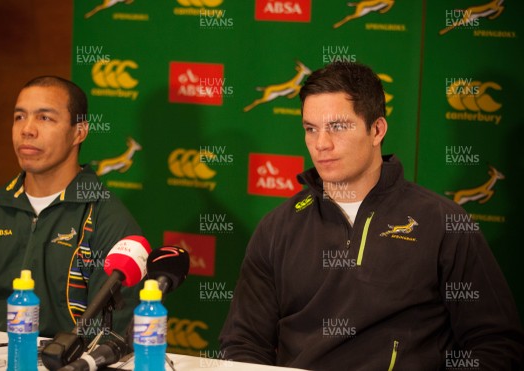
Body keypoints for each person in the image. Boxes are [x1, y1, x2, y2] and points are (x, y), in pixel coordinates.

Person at [220, 62, 523, 370]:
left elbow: (495, 344)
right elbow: (244, 343)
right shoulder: (277, 228)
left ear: (377, 129)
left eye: (337, 127)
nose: (321, 143)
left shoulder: (445, 223)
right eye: (311, 129)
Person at [0, 76, 142, 337]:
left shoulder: (109, 221)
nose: (27, 129)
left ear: (79, 132)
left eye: (44, 118)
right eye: (19, 117)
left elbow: (110, 337)